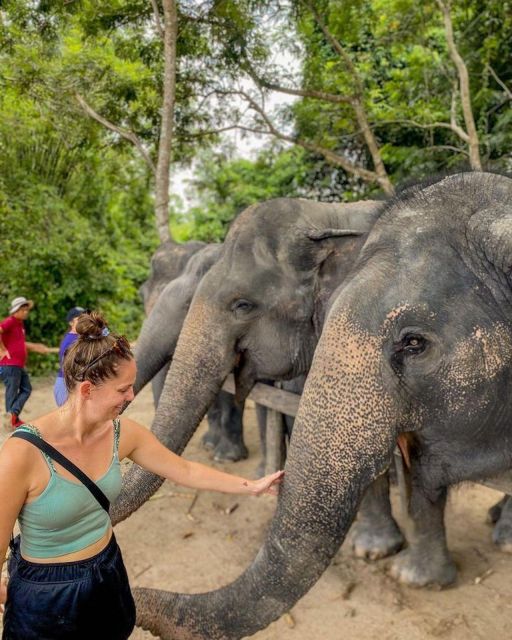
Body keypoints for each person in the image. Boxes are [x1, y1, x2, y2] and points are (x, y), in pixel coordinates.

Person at [0, 311, 283, 640]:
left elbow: (184, 469)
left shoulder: (122, 434)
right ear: (88, 389)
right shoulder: (21, 454)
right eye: (123, 389)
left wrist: (250, 486)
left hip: (107, 569)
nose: (132, 396)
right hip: (47, 591)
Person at [0, 297, 58, 429]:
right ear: (16, 310)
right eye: (23, 309)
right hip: (9, 364)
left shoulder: (19, 324)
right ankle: (11, 418)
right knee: (12, 391)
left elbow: (19, 344)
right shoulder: (10, 321)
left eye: (27, 309)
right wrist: (2, 349)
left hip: (17, 365)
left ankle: (13, 415)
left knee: (27, 389)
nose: (26, 312)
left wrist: (37, 347)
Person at [53, 306, 86, 406]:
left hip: (71, 382)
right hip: (67, 383)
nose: (83, 321)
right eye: (80, 319)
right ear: (71, 322)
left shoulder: (79, 337)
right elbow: (68, 366)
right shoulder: (71, 340)